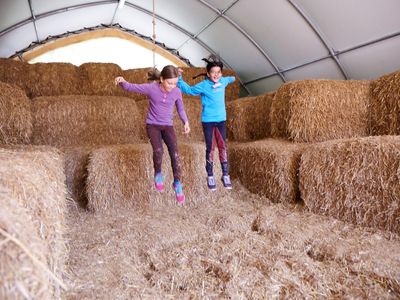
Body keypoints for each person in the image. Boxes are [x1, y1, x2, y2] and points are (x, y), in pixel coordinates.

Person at [115, 65, 190, 204]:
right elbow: (133, 87)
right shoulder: (152, 88)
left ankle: (177, 183)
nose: (172, 86)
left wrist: (186, 122)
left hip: (168, 126)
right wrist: (122, 82)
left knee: (175, 153)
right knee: (158, 150)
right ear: (161, 79)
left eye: (175, 83)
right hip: (153, 125)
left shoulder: (177, 92)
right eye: (169, 83)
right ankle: (158, 173)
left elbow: (181, 109)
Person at [177, 55, 235, 191]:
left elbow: (231, 78)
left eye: (218, 72)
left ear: (221, 73)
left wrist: (231, 78)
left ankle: (225, 174)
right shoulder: (203, 85)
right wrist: (179, 79)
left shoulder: (224, 81)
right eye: (213, 72)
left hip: (221, 120)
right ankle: (210, 175)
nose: (216, 75)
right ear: (208, 74)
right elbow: (189, 90)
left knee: (223, 146)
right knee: (211, 147)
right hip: (208, 121)